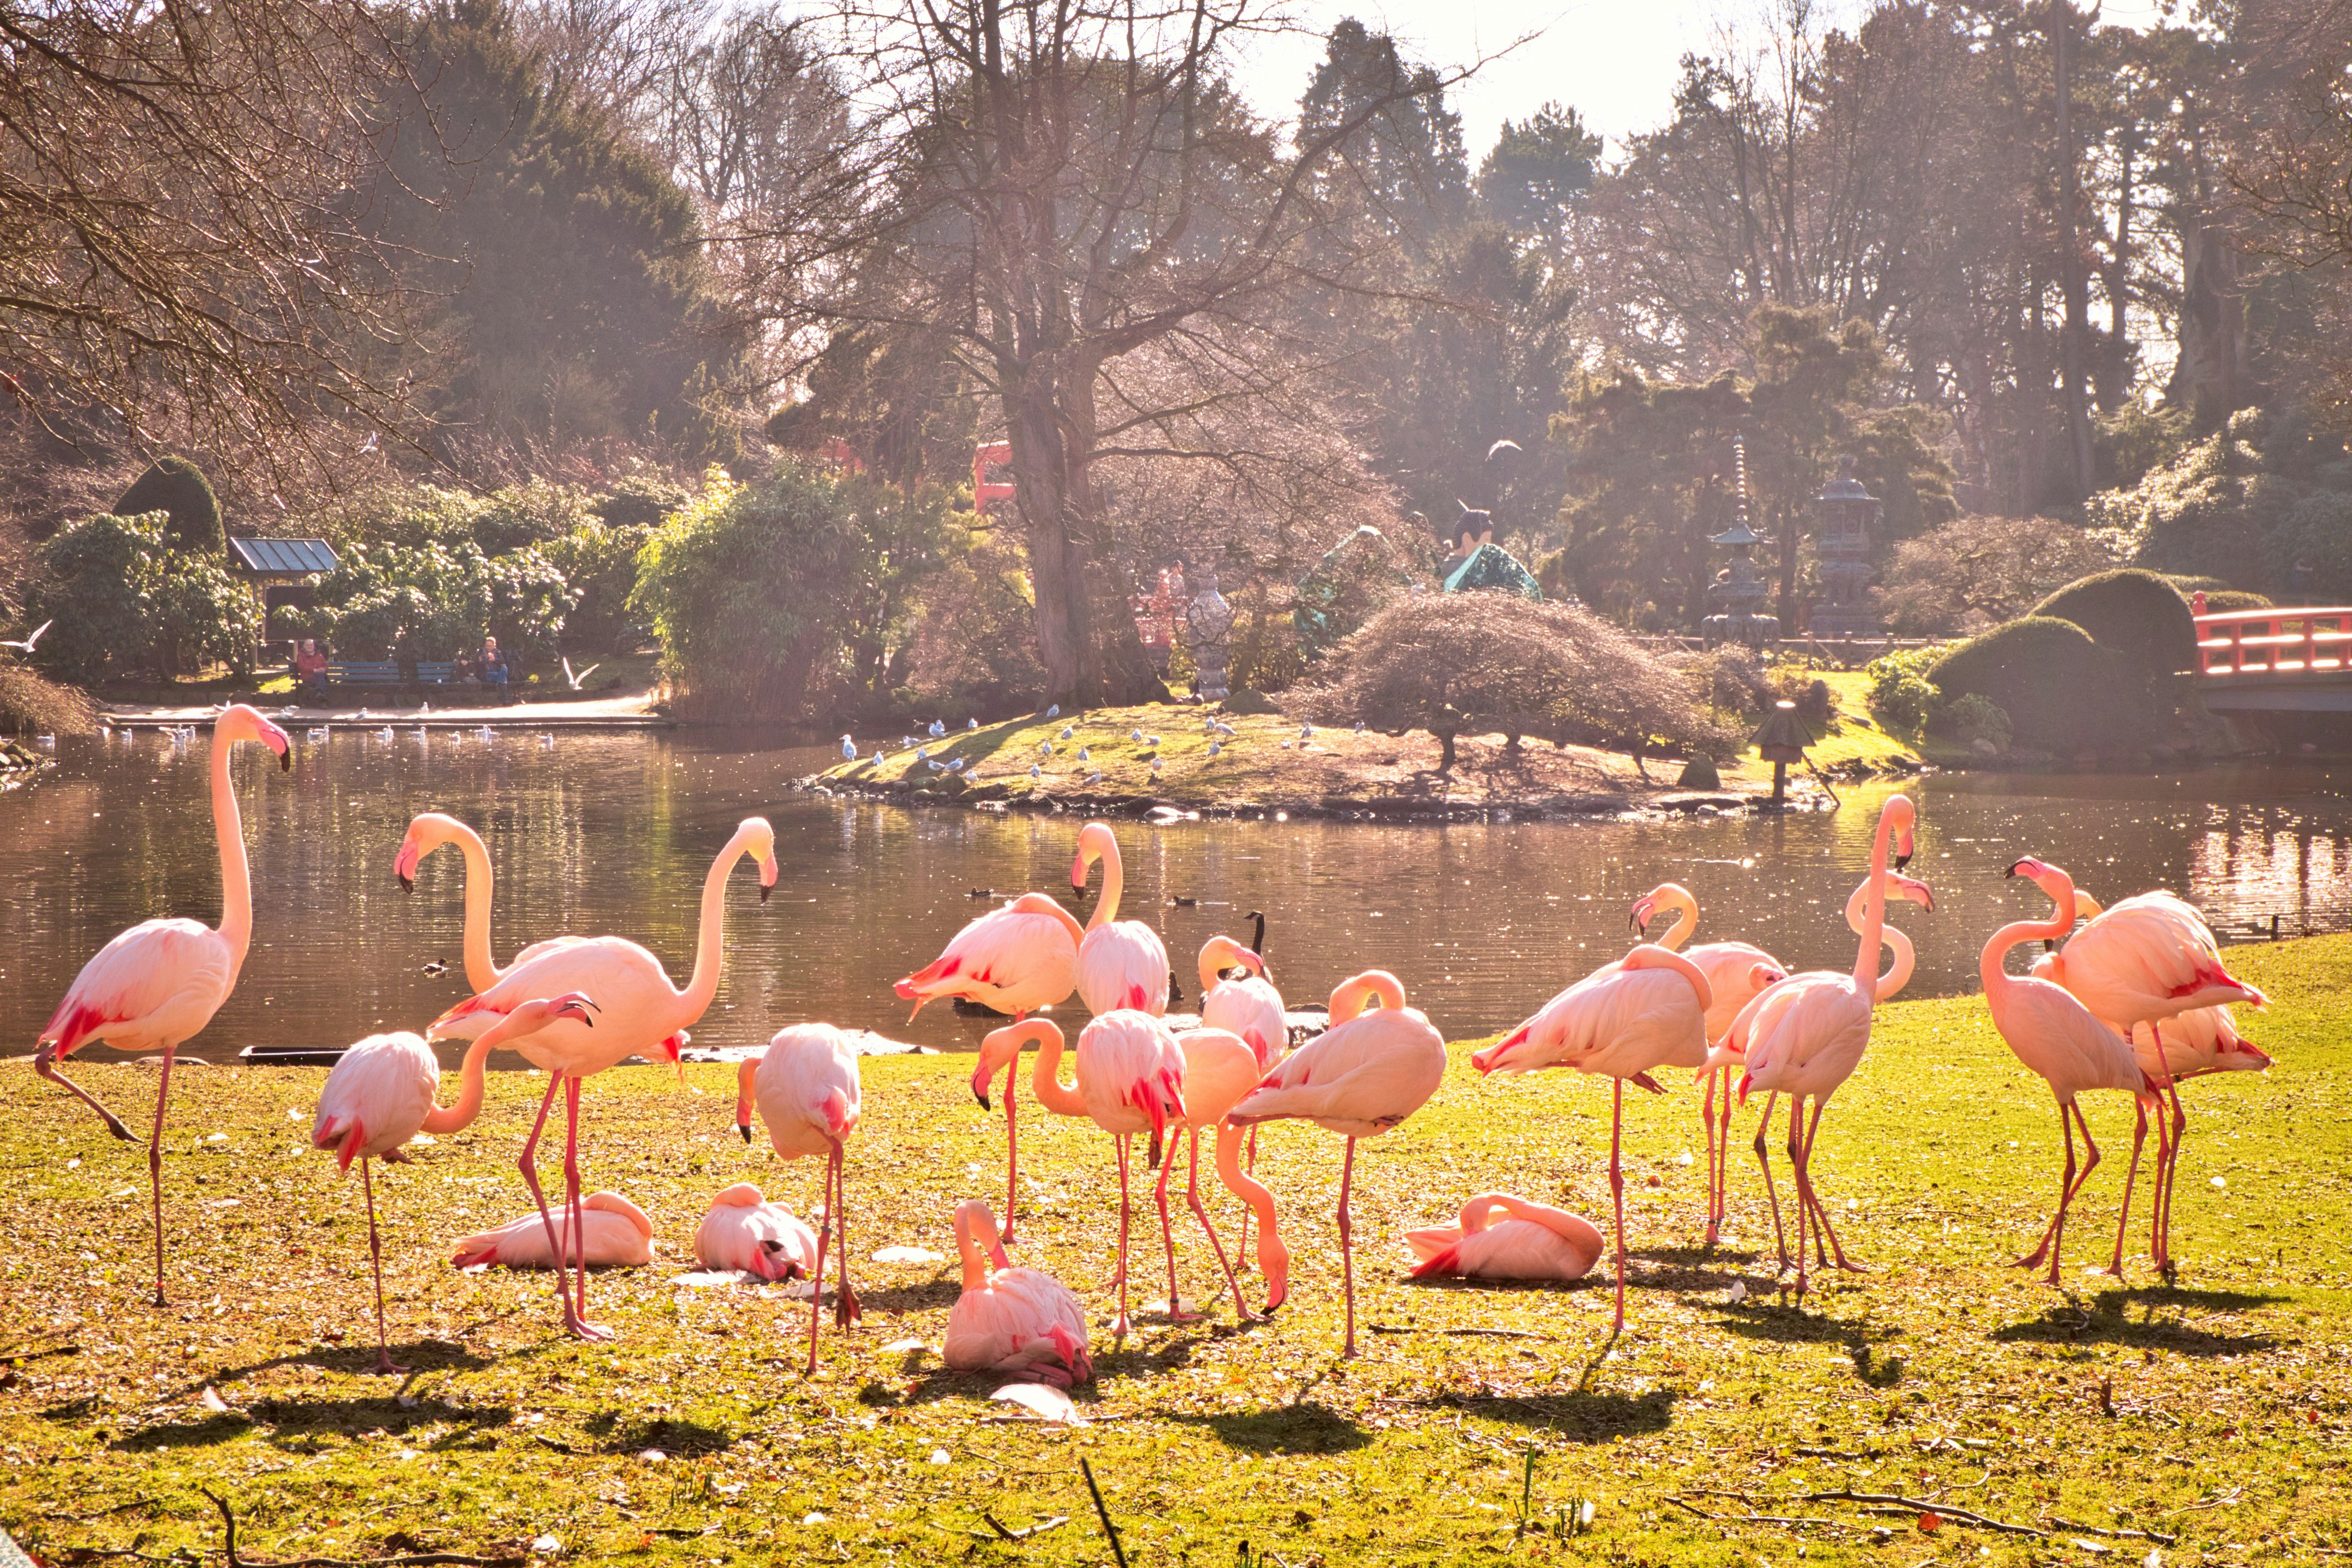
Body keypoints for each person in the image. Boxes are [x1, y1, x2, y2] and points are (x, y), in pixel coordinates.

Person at [479, 635, 511, 704]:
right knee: (503, 678)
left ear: (494, 646)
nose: (488, 647)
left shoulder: (498, 652)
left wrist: (495, 660)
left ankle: (500, 685)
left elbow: (503, 663)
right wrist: (487, 660)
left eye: (490, 646)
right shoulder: (481, 652)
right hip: (487, 674)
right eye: (487, 645)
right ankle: (505, 700)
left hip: (498, 672)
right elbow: (478, 663)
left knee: (505, 669)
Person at [292, 638, 328, 702]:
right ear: (304, 646)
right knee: (321, 676)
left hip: (320, 676)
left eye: (311, 645)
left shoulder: (319, 655)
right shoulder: (301, 655)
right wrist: (314, 670)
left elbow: (325, 665)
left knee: (321, 675)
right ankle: (320, 693)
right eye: (307, 645)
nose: (309, 647)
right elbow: (302, 667)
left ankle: (320, 694)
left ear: (314, 646)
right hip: (308, 677)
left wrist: (323, 669)